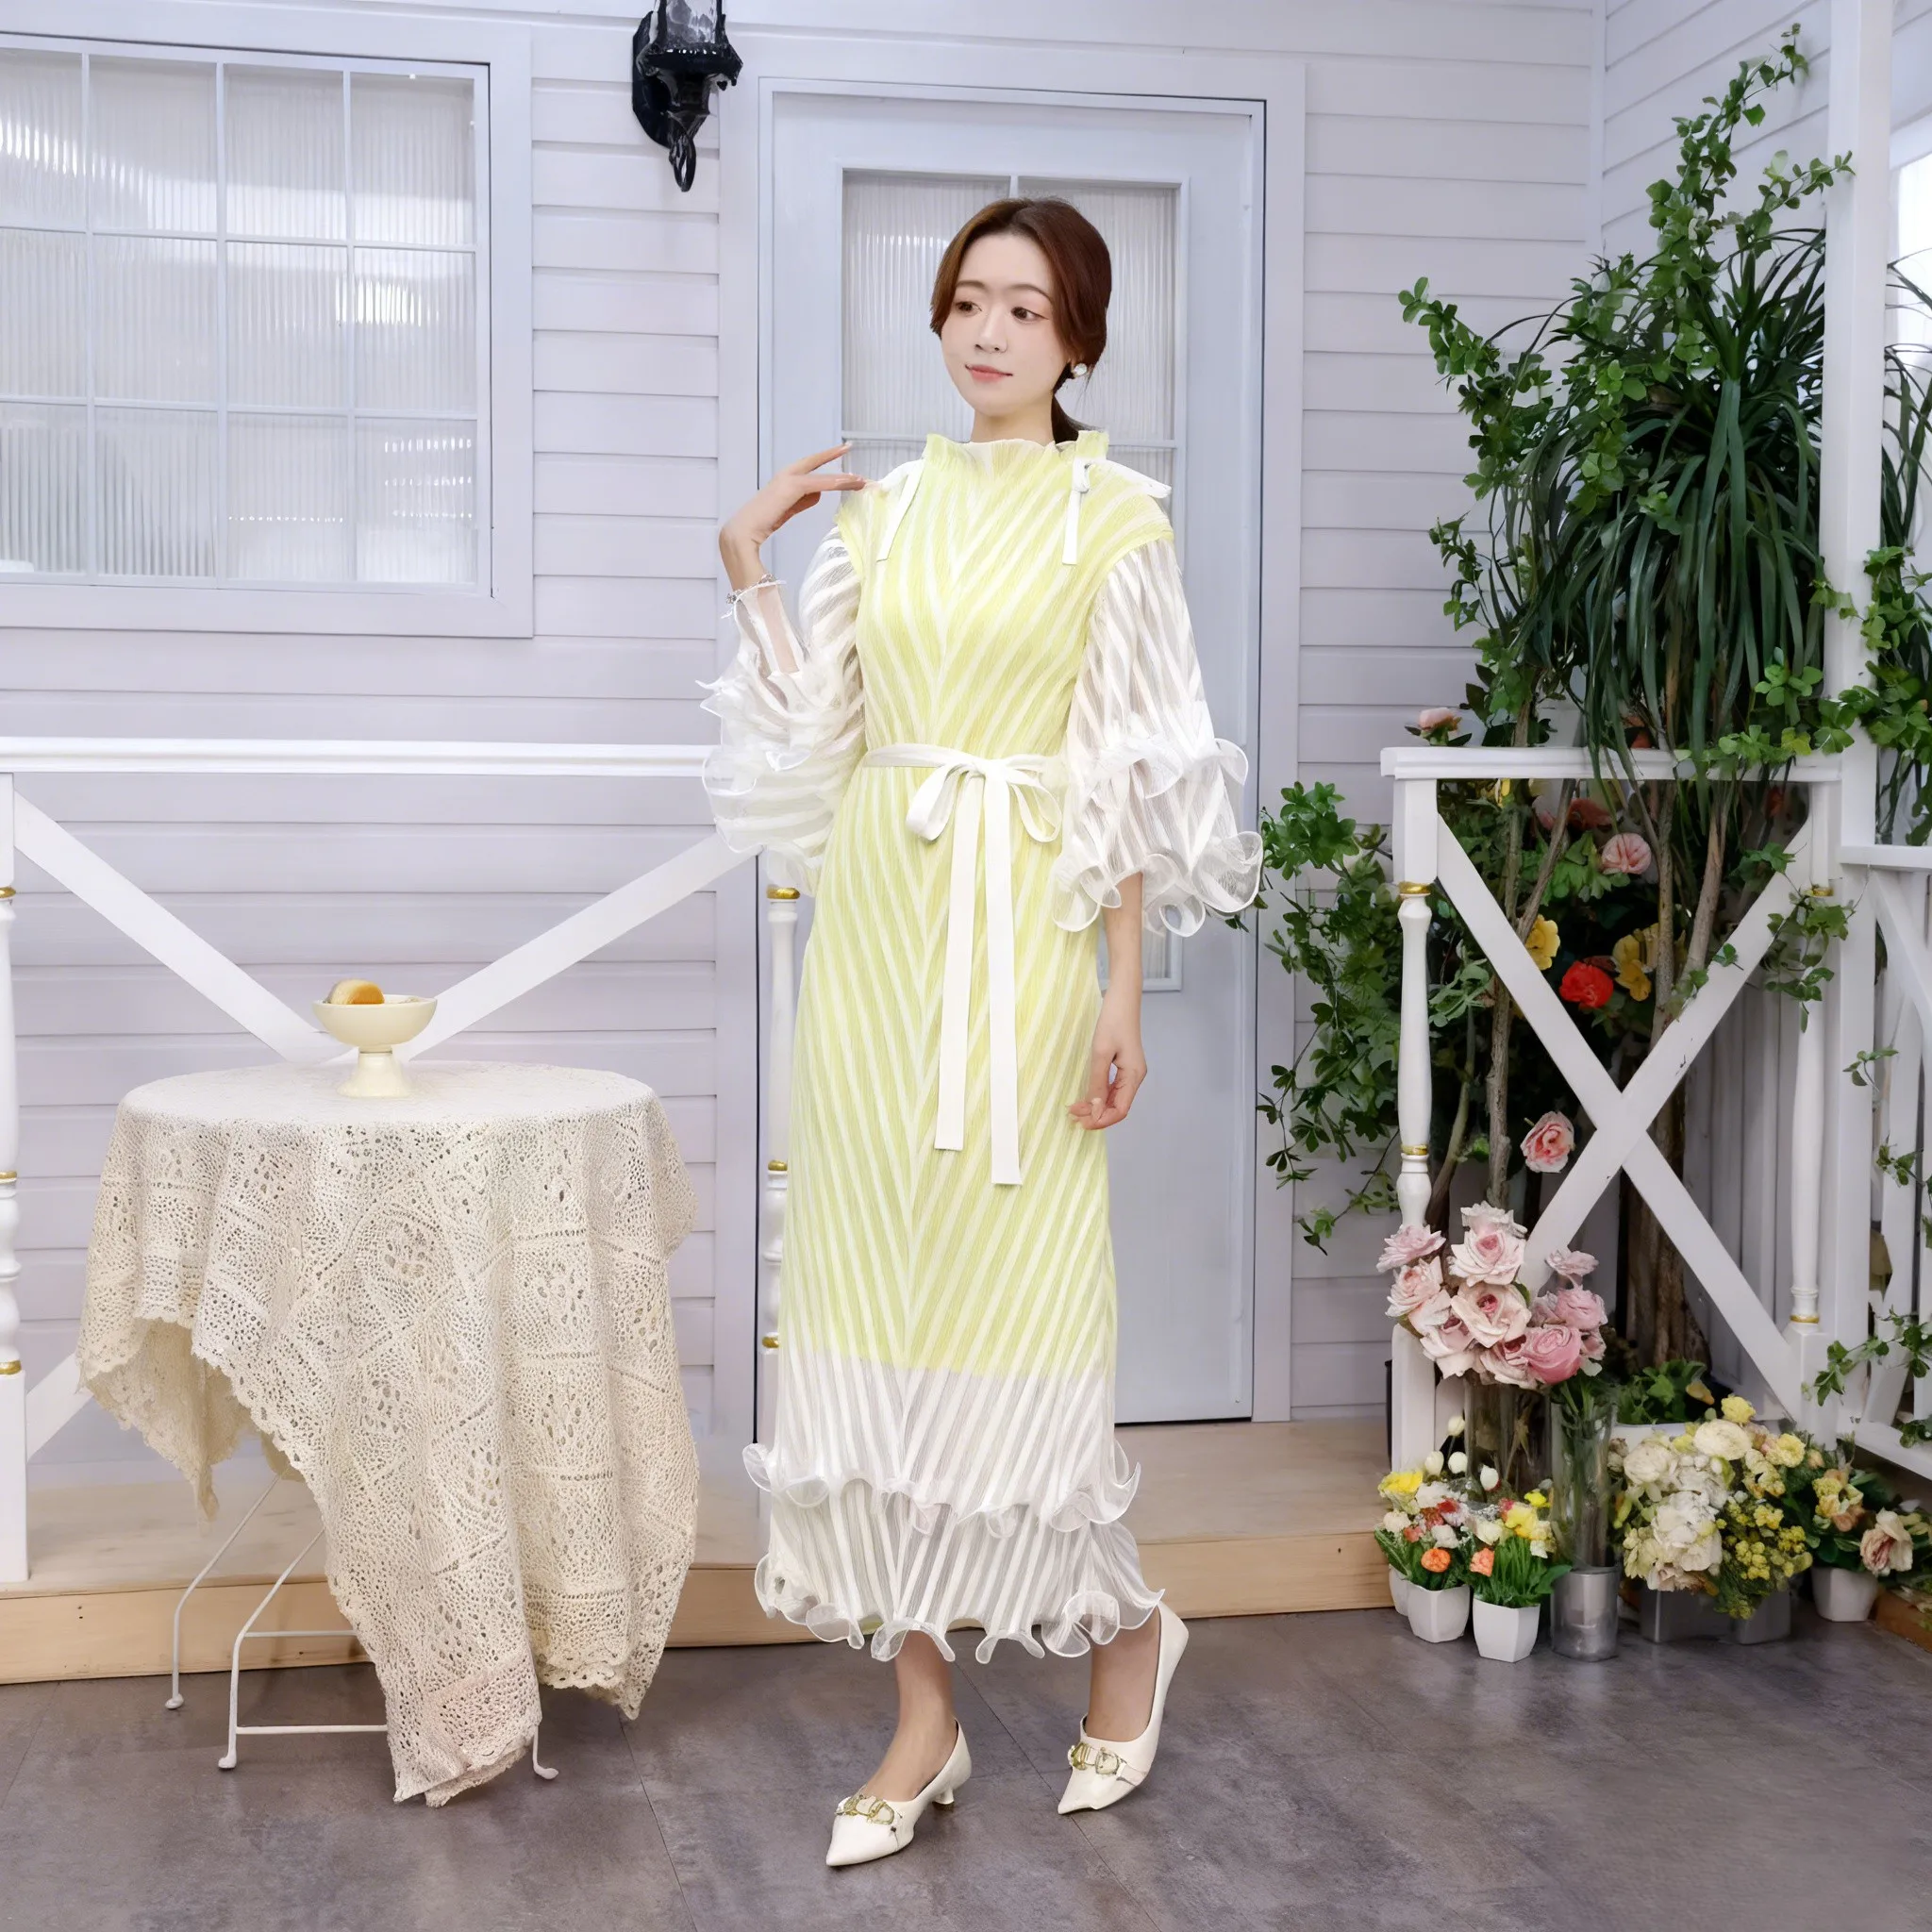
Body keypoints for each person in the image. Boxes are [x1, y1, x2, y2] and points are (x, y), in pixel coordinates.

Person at [703, 196, 1261, 1869]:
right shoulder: (884, 514)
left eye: (1026, 305)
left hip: (1023, 945)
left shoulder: (1117, 518)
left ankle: (1127, 1631)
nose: (991, 330)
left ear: (1080, 337)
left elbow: (1132, 769)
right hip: (876, 945)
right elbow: (815, 737)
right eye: (967, 301)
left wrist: (1118, 990)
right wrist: (748, 564)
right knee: (868, 1301)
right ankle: (923, 1716)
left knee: (1020, 1306)